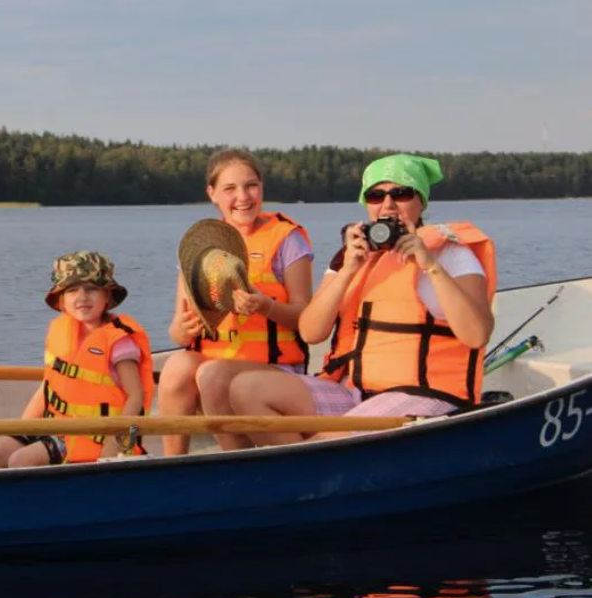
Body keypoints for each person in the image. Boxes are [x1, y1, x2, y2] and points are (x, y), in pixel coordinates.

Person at [228, 154, 497, 437]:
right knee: (246, 388)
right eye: (376, 196)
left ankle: (301, 469)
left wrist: (429, 264)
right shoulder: (351, 256)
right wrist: (347, 271)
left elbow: (477, 334)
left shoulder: (450, 254)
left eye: (401, 194)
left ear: (421, 201)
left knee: (325, 440)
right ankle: (300, 471)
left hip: (425, 391)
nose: (388, 204)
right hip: (353, 390)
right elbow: (310, 332)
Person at [158, 148, 314, 453]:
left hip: (274, 368)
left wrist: (264, 305)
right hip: (215, 364)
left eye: (251, 185)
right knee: (177, 366)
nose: (243, 196)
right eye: (230, 188)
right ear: (212, 194)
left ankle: (236, 458)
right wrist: (183, 328)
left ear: (261, 187)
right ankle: (172, 463)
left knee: (210, 373)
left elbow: (306, 319)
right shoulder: (199, 247)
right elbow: (177, 334)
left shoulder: (287, 238)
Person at [0, 251, 154, 468]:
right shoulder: (61, 332)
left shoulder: (119, 341)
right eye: (72, 290)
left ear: (107, 297)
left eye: (91, 289)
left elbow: (135, 397)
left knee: (21, 460)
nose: (82, 297)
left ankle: (37, 500)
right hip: (57, 427)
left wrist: (116, 442)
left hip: (95, 435)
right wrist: (24, 427)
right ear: (62, 300)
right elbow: (48, 387)